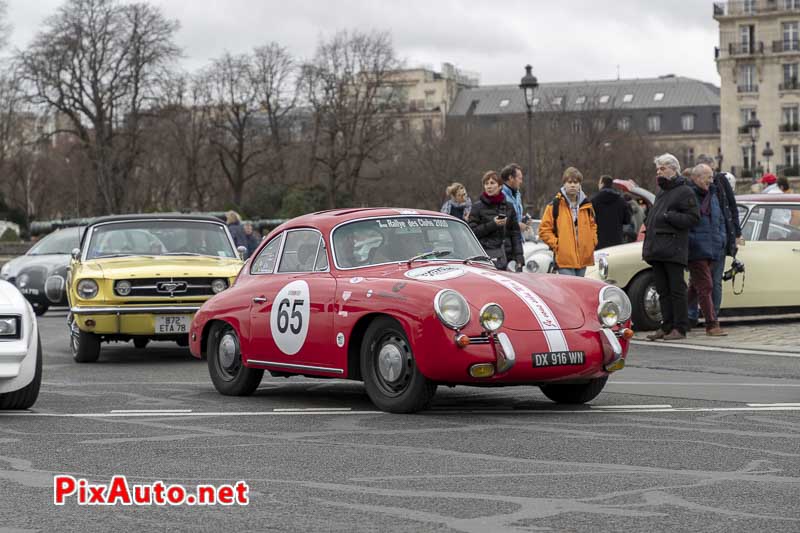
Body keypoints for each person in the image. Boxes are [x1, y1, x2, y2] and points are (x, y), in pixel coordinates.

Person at [643, 153, 700, 341]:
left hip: (673, 248)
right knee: (663, 291)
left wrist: (669, 217)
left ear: (674, 170)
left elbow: (693, 218)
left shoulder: (685, 191)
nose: (659, 172)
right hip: (657, 249)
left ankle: (680, 328)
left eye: (663, 168)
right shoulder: (662, 192)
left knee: (677, 290)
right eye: (658, 169)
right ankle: (666, 326)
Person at [688, 154, 743, 327]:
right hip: (704, 239)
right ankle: (694, 316)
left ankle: (712, 315)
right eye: (706, 174)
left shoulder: (719, 183)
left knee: (713, 280)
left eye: (710, 173)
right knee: (698, 281)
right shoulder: (693, 189)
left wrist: (735, 235)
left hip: (718, 237)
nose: (709, 178)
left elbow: (731, 208)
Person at [686, 164, 727, 336]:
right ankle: (711, 324)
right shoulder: (687, 195)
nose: (711, 181)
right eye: (707, 177)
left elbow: (720, 220)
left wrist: (722, 238)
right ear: (696, 178)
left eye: (712, 177)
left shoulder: (713, 195)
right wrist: (692, 241)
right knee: (706, 286)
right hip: (696, 249)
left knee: (695, 287)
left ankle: (680, 319)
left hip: (712, 247)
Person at [538, 167, 598, 276]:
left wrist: (593, 241)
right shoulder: (554, 205)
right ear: (564, 184)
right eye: (569, 182)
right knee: (570, 289)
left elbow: (593, 225)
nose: (572, 185)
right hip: (564, 258)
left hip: (583, 257)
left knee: (579, 289)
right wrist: (557, 244)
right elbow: (544, 230)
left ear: (580, 185)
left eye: (576, 182)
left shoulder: (587, 205)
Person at [469, 170, 524, 271]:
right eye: (486, 184)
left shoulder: (509, 207)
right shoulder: (477, 207)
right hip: (485, 257)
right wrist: (493, 224)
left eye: (492, 183)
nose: (489, 186)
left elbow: (515, 234)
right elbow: (471, 233)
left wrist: (519, 258)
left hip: (507, 257)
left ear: (500, 186)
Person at [592, 175, 631, 249]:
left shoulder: (594, 201)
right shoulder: (621, 201)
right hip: (616, 241)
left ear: (602, 184)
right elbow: (627, 220)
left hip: (600, 241)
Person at [500, 163, 529, 234]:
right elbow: (499, 222)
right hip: (507, 241)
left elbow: (513, 218)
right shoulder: (500, 196)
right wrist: (517, 225)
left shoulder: (517, 195)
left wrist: (523, 221)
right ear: (511, 178)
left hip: (517, 240)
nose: (521, 182)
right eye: (519, 178)